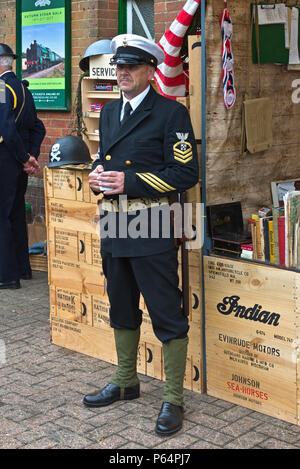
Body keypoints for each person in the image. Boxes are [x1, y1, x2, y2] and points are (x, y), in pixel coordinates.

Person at [84, 34, 199, 436]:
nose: (123, 73)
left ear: (151, 71)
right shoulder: (111, 112)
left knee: (167, 314)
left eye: (131, 67)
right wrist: (97, 178)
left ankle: (173, 398)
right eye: (119, 67)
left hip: (152, 225)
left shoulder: (171, 114)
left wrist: (128, 180)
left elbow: (185, 174)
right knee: (121, 307)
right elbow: (105, 160)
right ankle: (126, 380)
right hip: (116, 226)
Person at [0, 44, 46, 289]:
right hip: (18, 162)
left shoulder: (0, 87)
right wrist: (31, 156)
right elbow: (38, 127)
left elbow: (5, 127)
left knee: (1, 216)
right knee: (16, 213)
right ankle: (22, 268)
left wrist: (22, 157)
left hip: (6, 159)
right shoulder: (24, 89)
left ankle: (6, 276)